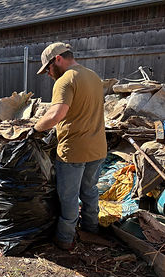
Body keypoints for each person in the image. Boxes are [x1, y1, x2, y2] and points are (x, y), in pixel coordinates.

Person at [33, 42, 107, 250]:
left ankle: (65, 239)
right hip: (98, 148)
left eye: (48, 68)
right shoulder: (93, 76)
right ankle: (91, 229)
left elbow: (56, 115)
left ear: (57, 59)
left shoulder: (65, 81)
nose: (48, 74)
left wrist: (35, 130)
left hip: (74, 150)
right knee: (90, 191)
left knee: (68, 197)